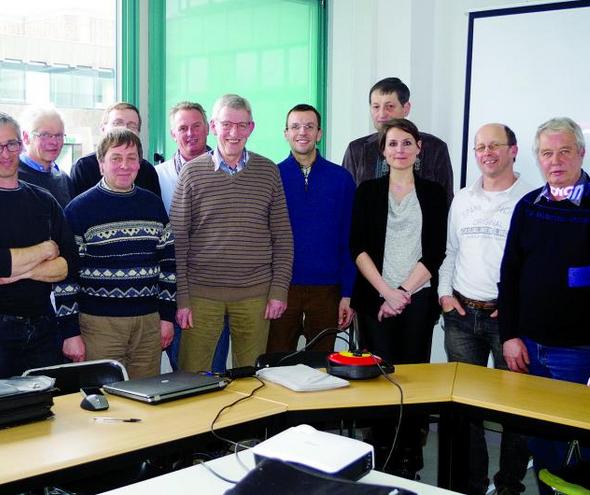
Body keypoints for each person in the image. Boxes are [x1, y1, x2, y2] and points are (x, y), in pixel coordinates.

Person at [499, 117, 590, 493]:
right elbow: (508, 275)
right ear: (537, 158)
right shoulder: (528, 205)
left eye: (564, 151)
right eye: (546, 153)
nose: (555, 160)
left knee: (576, 448)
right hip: (528, 348)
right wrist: (509, 335)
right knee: (541, 442)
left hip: (579, 352)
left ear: (581, 153)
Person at [350, 118, 447, 479]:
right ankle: (380, 455)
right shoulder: (368, 191)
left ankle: (409, 456)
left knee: (412, 378)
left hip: (417, 300)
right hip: (375, 297)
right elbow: (357, 247)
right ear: (383, 151)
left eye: (407, 143)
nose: (400, 150)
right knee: (377, 378)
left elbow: (436, 251)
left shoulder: (435, 193)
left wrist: (403, 292)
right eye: (393, 144)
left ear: (419, 148)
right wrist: (386, 292)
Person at [0, 111, 82, 379]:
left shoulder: (44, 200)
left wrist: (20, 271)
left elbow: (69, 263)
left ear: (20, 145)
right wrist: (46, 250)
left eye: (11, 144)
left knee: (47, 403)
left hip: (43, 319)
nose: (5, 153)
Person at [438, 123, 532, 495]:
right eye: (480, 147)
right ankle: (470, 485)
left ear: (513, 150)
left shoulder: (531, 198)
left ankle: (509, 485)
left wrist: (514, 309)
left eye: (495, 146)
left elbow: (535, 264)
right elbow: (451, 252)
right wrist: (446, 295)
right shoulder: (462, 198)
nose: (486, 153)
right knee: (466, 411)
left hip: (507, 321)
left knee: (516, 409)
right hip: (461, 316)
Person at [171, 94, 293, 372]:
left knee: (251, 377)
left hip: (256, 295)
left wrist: (278, 291)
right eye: (227, 125)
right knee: (193, 376)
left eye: (242, 125)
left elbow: (283, 238)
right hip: (201, 295)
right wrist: (183, 299)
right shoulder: (191, 173)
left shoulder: (268, 172)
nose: (234, 133)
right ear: (214, 127)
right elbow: (177, 241)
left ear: (251, 128)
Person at [56, 128, 175, 379]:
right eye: (116, 158)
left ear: (140, 164)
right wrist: (69, 333)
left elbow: (168, 265)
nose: (124, 165)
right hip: (99, 325)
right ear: (101, 164)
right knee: (104, 404)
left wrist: (166, 317)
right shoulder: (79, 209)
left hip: (148, 324)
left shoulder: (153, 205)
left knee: (147, 400)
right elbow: (66, 277)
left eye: (132, 158)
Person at [268, 103, 355, 353]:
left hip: (327, 291)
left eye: (309, 126)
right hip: (283, 289)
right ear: (286, 133)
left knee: (323, 368)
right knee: (276, 364)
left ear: (319, 133)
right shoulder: (272, 176)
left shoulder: (341, 179)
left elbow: (349, 239)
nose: (302, 132)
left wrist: (347, 294)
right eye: (295, 126)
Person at [154, 101, 229, 372]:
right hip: (170, 285)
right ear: (173, 134)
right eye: (182, 128)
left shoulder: (228, 170)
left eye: (196, 126)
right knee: (179, 367)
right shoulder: (157, 175)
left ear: (208, 128)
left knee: (213, 368)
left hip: (212, 285)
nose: (190, 133)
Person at [342, 77, 453, 203]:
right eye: (376, 107)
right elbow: (345, 200)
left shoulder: (434, 148)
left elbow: (446, 201)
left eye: (389, 106)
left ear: (406, 108)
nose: (382, 114)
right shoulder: (357, 150)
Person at [70, 101, 160, 197]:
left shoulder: (148, 171)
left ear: (138, 132)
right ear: (103, 129)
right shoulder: (83, 167)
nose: (124, 129)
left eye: (132, 126)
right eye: (117, 124)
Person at [18, 105, 76, 207]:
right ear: (26, 137)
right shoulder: (12, 179)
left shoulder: (64, 179)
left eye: (59, 135)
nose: (54, 142)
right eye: (45, 135)